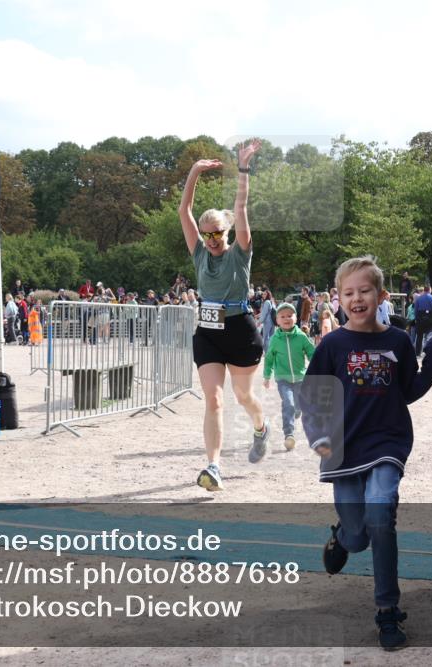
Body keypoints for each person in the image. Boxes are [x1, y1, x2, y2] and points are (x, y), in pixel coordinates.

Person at [300, 256, 432, 651]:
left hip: (387, 442)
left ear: (381, 296)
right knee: (359, 537)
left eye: (365, 290)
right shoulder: (332, 344)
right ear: (338, 298)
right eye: (348, 292)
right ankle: (342, 537)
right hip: (343, 448)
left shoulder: (397, 341)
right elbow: (313, 396)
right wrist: (317, 437)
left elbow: (410, 390)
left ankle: (388, 611)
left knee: (381, 513)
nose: (357, 298)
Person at [179, 140, 268, 491]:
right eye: (207, 234)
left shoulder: (240, 252)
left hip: (240, 329)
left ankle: (261, 427)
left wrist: (242, 168)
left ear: (227, 232)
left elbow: (241, 207)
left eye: (218, 233)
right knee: (214, 399)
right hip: (209, 332)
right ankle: (214, 466)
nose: (213, 239)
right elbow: (183, 210)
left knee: (244, 397)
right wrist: (194, 172)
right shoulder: (199, 254)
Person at [262, 302, 315, 451]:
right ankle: (289, 435)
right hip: (283, 379)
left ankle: (297, 411)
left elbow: (312, 353)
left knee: (298, 406)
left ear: (296, 318)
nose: (286, 318)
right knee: (289, 404)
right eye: (282, 316)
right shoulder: (275, 339)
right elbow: (269, 359)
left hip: (300, 378)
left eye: (290, 315)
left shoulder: (301, 336)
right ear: (277, 320)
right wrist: (267, 376)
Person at [412, 286, 432, 357]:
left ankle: (418, 353)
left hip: (420, 318)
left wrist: (417, 319)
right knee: (430, 336)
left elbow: (415, 310)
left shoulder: (418, 299)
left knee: (419, 337)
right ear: (430, 290)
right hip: (430, 318)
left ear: (424, 290)